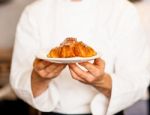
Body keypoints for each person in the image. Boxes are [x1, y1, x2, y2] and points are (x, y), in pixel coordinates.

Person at [10, 0, 150, 115]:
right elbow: (18, 78)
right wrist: (39, 79)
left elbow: (138, 80)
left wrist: (102, 81)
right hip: (53, 112)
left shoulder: (123, 11)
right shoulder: (34, 12)